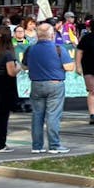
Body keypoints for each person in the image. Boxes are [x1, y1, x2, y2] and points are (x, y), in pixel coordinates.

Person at [22, 22, 74, 153]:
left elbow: (24, 67)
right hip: (55, 84)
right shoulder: (59, 48)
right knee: (53, 116)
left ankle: (37, 146)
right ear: (52, 34)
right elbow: (69, 67)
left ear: (37, 35)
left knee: (37, 115)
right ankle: (54, 145)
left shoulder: (30, 49)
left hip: (36, 84)